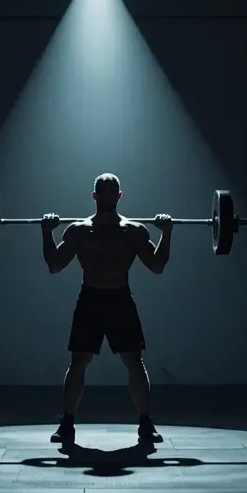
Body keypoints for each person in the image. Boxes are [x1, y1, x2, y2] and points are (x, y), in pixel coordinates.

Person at [41, 173, 172, 444]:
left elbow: (157, 266)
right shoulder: (78, 230)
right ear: (95, 195)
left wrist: (166, 233)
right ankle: (67, 423)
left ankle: (145, 423)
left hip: (120, 299)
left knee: (134, 363)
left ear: (119, 196)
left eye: (112, 192)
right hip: (90, 299)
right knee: (78, 363)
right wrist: (46, 232)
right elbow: (55, 265)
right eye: (102, 192)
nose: (107, 196)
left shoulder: (134, 231)